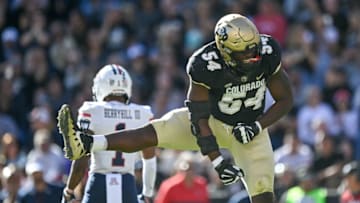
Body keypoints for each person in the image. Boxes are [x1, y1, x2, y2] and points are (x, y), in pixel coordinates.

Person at [57, 13, 293, 203]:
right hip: (212, 121)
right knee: (153, 132)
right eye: (245, 52)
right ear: (224, 51)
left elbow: (285, 99)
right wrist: (217, 161)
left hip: (249, 130)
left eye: (254, 48)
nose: (253, 56)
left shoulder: (268, 51)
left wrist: (257, 125)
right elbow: (198, 120)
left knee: (263, 194)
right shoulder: (204, 65)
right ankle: (87, 143)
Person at [61, 64, 157, 203]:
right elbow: (149, 160)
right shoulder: (142, 114)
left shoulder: (92, 110)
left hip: (98, 183)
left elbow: (82, 157)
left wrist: (69, 191)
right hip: (127, 185)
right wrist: (147, 193)